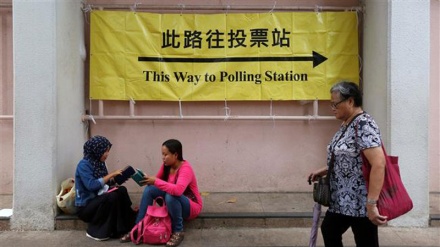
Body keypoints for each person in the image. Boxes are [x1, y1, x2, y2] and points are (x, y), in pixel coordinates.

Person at [308, 81, 387, 247]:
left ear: (350, 101)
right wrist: (324, 170)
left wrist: (371, 205)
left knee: (365, 241)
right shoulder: (347, 124)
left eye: (335, 103)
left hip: (359, 202)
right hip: (342, 200)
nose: (332, 108)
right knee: (329, 230)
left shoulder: (364, 125)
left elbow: (379, 164)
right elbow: (348, 157)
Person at [121, 139, 203, 247]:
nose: (163, 157)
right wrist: (147, 179)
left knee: (171, 195)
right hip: (173, 200)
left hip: (190, 206)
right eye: (162, 154)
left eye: (166, 154)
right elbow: (157, 182)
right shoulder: (166, 165)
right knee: (150, 189)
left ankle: (178, 231)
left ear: (175, 155)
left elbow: (178, 190)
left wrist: (155, 181)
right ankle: (138, 227)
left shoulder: (185, 169)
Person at [75, 135, 137, 241]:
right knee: (111, 196)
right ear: (97, 150)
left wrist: (116, 180)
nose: (107, 154)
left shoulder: (100, 164)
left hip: (98, 201)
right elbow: (91, 185)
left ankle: (128, 223)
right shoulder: (83, 165)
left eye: (108, 151)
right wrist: (111, 174)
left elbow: (105, 185)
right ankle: (98, 231)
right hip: (86, 208)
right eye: (105, 151)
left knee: (121, 190)